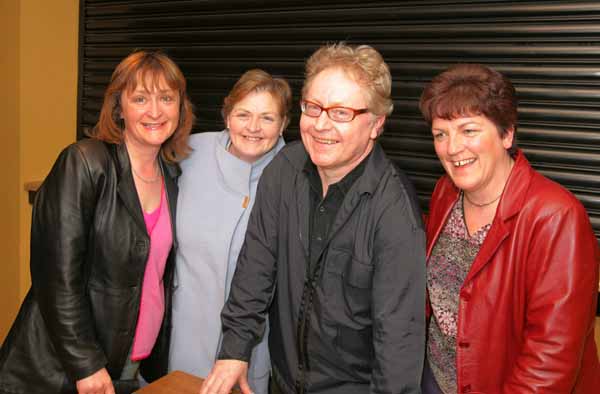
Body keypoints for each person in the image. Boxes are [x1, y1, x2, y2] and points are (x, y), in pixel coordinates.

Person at [200, 43, 426, 394]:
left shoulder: (394, 212)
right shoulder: (284, 169)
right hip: (284, 381)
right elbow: (255, 268)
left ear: (376, 124)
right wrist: (234, 350)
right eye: (314, 107)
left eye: (340, 113)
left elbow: (398, 341)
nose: (320, 125)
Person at [0, 51, 194, 394]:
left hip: (131, 362)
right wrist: (85, 362)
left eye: (166, 98)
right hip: (64, 369)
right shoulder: (85, 163)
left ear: (180, 106)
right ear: (119, 107)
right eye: (140, 98)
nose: (155, 111)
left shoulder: (173, 176)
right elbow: (56, 277)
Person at [419, 63, 600, 393]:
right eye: (440, 134)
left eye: (469, 130)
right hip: (435, 380)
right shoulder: (445, 192)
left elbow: (549, 363)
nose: (452, 147)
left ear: (507, 134)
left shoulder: (557, 218)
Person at [168, 69, 291, 394]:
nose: (253, 127)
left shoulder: (296, 174)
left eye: (267, 117)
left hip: (253, 345)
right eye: (243, 114)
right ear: (226, 115)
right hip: (184, 332)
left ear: (284, 124)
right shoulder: (188, 153)